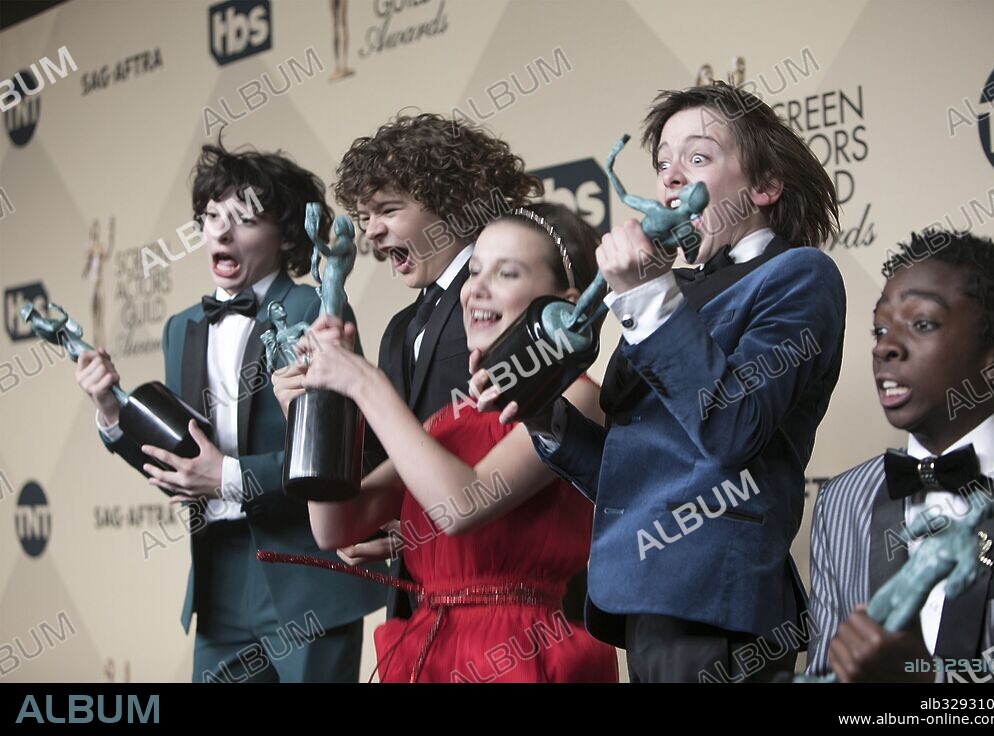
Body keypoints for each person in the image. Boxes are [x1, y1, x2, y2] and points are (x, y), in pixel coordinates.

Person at [504, 82, 845, 682]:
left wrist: (647, 294)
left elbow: (733, 426)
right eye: (662, 162)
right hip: (645, 595)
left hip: (716, 596)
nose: (668, 178)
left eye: (697, 157)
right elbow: (636, 468)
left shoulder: (799, 275)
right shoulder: (672, 290)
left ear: (764, 186)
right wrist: (543, 418)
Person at [74, 143, 385, 682]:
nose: (220, 232)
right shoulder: (180, 327)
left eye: (243, 220)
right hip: (216, 574)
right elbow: (178, 457)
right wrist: (110, 409)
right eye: (211, 217)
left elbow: (342, 452)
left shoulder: (315, 309)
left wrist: (228, 476)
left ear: (286, 236)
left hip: (305, 567)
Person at [274, 203, 618, 682]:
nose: (475, 287)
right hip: (429, 653)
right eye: (474, 270)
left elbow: (461, 504)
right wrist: (316, 406)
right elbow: (338, 526)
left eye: (507, 273)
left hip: (524, 656)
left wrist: (365, 384)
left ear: (565, 301)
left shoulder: (576, 400)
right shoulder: (450, 419)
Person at [316, 112, 543, 619]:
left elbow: (517, 464)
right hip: (418, 604)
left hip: (502, 599)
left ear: (452, 204)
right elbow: (383, 467)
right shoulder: (400, 329)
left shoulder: (507, 310)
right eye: (364, 215)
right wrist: (311, 406)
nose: (370, 231)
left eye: (388, 210)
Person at [807, 230, 994, 683]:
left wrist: (923, 682)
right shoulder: (841, 502)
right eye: (881, 328)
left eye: (921, 323)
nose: (885, 346)